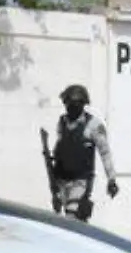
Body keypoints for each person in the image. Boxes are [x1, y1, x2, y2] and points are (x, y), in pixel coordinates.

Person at [46, 84, 118, 222]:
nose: (70, 108)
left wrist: (111, 179)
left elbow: (105, 152)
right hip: (61, 178)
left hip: (81, 180)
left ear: (82, 105)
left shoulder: (93, 125)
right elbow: (61, 146)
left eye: (74, 105)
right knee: (63, 217)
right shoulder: (62, 122)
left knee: (72, 216)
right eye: (67, 104)